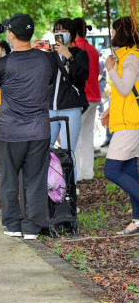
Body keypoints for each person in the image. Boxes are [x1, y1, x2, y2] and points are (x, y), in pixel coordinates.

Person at [0, 13, 56, 240]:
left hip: (11, 131)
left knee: (9, 179)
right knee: (36, 180)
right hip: (39, 129)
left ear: (11, 35)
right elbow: (49, 81)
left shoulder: (4, 64)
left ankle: (12, 225)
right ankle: (32, 228)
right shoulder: (47, 60)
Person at [101, 16, 139, 235]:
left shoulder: (131, 58)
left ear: (122, 33)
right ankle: (137, 220)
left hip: (129, 124)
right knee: (130, 172)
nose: (113, 36)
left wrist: (110, 69)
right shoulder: (125, 56)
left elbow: (125, 88)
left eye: (115, 31)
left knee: (112, 170)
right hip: (125, 120)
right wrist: (110, 110)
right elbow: (125, 93)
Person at [42, 17, 89, 182]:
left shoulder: (80, 54)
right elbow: (44, 78)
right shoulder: (51, 55)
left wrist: (69, 56)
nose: (59, 34)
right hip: (51, 108)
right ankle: (51, 188)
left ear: (72, 33)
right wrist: (38, 54)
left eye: (63, 31)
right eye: (56, 31)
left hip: (71, 108)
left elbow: (81, 77)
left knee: (67, 152)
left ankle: (70, 196)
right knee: (44, 149)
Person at [72, 18, 101, 181]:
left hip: (80, 97)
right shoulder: (93, 50)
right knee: (87, 136)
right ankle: (87, 173)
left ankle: (75, 175)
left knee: (74, 137)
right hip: (94, 95)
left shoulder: (73, 50)